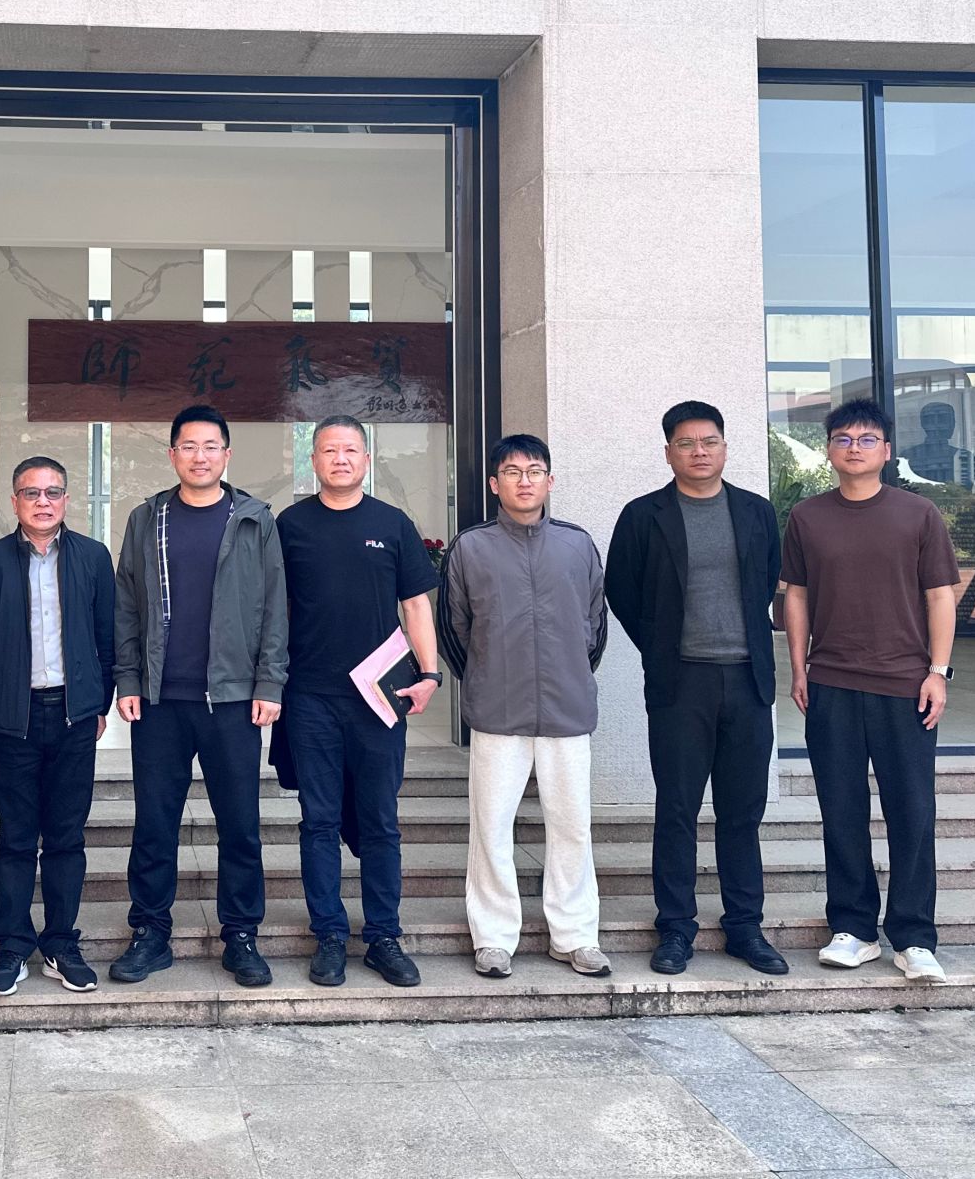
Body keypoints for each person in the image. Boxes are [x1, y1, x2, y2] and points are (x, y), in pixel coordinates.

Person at [605, 401, 786, 977]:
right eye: (686, 443)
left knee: (742, 811)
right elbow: (621, 590)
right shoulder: (644, 515)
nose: (699, 451)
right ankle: (676, 928)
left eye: (709, 441)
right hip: (681, 682)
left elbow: (768, 583)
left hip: (747, 679)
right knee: (678, 809)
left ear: (725, 448)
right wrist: (661, 646)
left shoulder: (756, 512)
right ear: (668, 453)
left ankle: (745, 927)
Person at [783, 397, 961, 982]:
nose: (854, 448)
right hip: (831, 682)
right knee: (841, 811)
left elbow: (940, 596)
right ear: (828, 450)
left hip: (905, 686)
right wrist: (800, 668)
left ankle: (913, 936)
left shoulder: (918, 514)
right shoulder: (807, 517)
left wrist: (938, 671)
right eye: (843, 438)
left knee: (912, 812)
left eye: (866, 439)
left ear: (887, 450)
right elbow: (796, 596)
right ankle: (854, 929)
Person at [110, 405, 288, 989]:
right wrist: (128, 678)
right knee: (154, 824)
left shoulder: (254, 520)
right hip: (160, 699)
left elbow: (275, 606)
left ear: (227, 455)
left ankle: (241, 935)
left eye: (211, 446)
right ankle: (150, 932)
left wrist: (269, 682)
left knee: (240, 824)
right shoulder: (147, 518)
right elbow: (126, 603)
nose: (200, 456)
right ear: (172, 455)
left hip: (232, 700)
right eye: (188, 446)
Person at [275, 414, 440, 988]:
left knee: (380, 821)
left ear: (366, 460)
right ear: (313, 461)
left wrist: (429, 674)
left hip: (380, 697)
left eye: (350, 450)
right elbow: (277, 610)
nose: (340, 459)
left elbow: (416, 606)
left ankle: (383, 937)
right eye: (329, 450)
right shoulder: (290, 525)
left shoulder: (393, 524)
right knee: (318, 820)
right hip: (310, 696)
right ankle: (328, 935)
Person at [441, 433, 611, 979]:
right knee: (491, 826)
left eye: (534, 471)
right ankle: (493, 937)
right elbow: (454, 629)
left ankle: (576, 935)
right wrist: (485, 676)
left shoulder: (577, 545)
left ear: (550, 481)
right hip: (498, 710)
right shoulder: (470, 547)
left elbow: (595, 624)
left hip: (567, 710)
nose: (524, 481)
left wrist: (571, 673)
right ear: (494, 484)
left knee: (572, 826)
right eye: (512, 472)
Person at [0, 457, 116, 996]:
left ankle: (62, 943)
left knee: (67, 836)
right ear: (15, 501)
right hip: (13, 718)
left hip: (74, 716)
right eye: (31, 493)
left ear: (66, 499)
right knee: (17, 837)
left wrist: (98, 703)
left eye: (52, 492)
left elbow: (107, 638)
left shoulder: (93, 557)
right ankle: (13, 945)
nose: (43, 502)